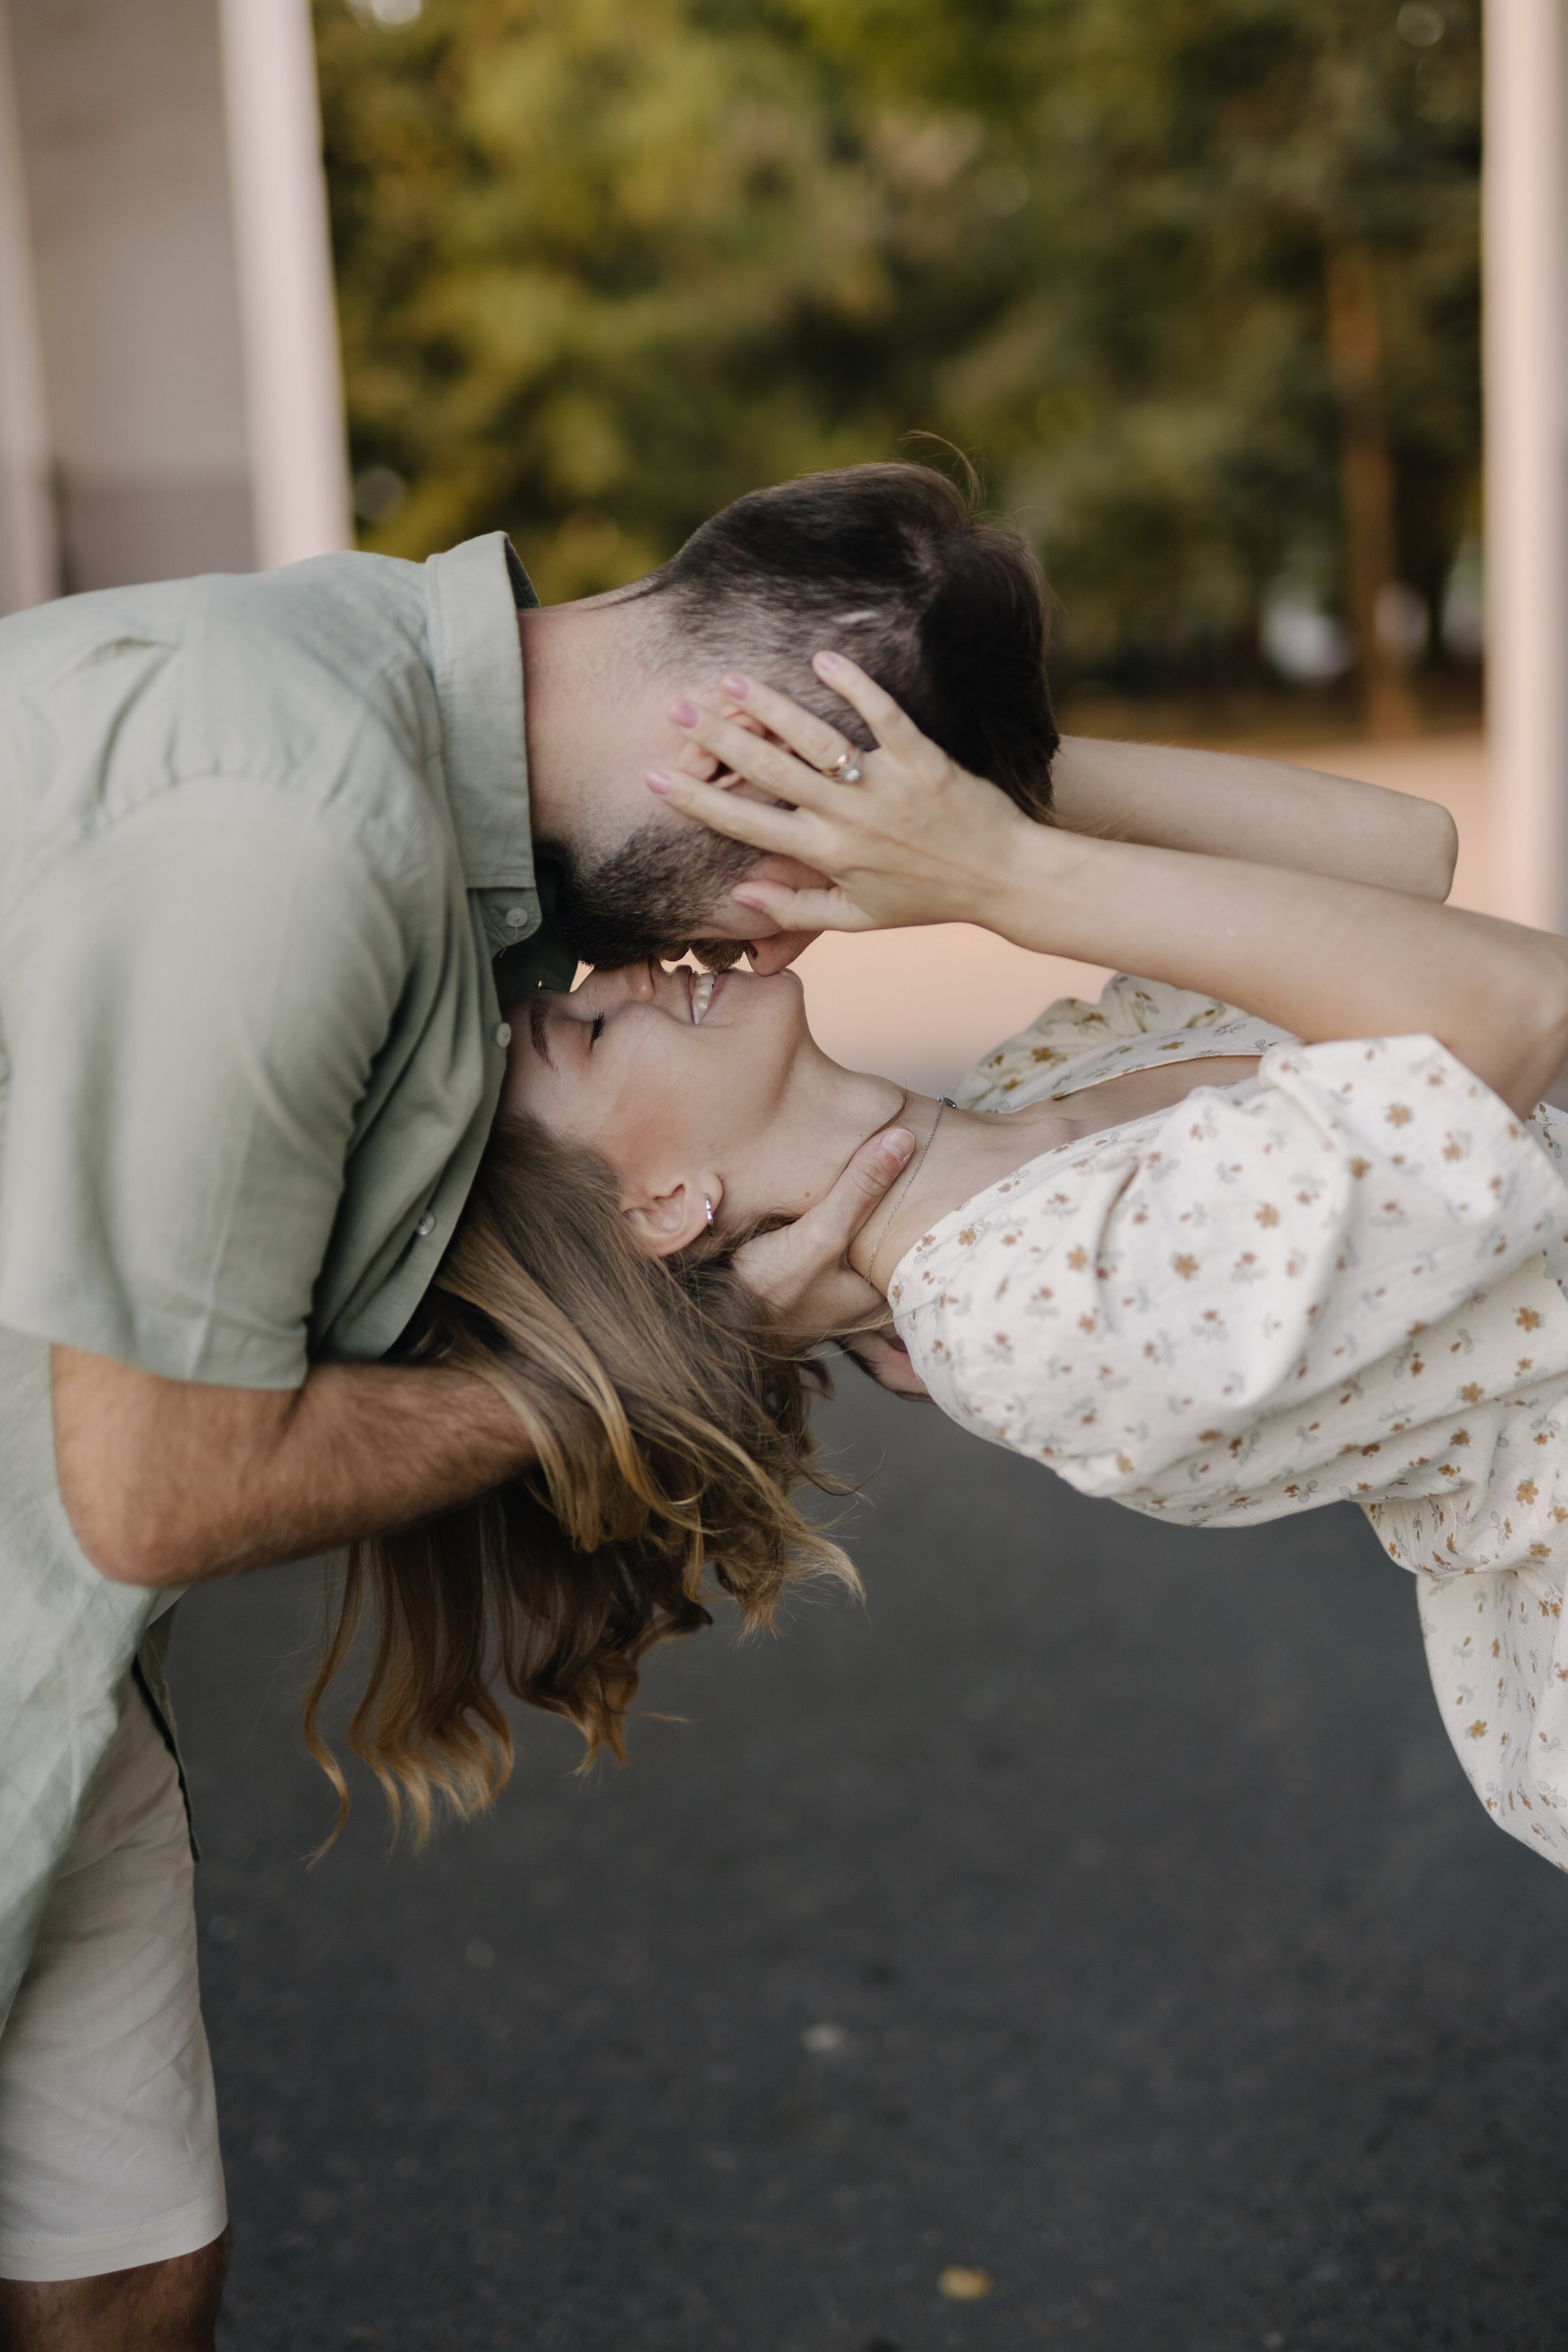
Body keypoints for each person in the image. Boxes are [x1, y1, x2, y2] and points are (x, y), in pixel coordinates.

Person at [0, 458, 1455, 2348]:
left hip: (55, 1621)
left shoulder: (460, 774)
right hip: (70, 1534)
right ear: (723, 738)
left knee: (124, 2276)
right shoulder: (296, 826)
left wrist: (948, 825)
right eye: (796, 884)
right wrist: (679, 1346)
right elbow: (164, 1488)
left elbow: (1399, 866)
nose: (774, 944)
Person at [368, 650, 1568, 1896]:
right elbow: (1517, 1003)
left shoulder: (1025, 1094)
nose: (621, 972)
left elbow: (1394, 860)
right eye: (585, 1029)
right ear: (660, 1208)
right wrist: (997, 875)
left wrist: (930, 779)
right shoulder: (1028, 1311)